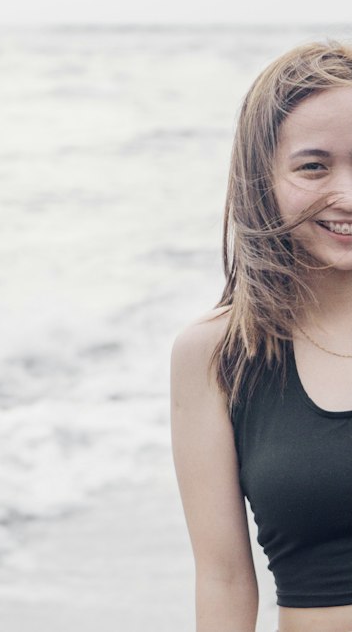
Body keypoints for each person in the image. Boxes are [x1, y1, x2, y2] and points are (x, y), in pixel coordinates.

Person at [171, 41, 352, 632]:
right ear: (262, 177)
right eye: (313, 166)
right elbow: (222, 578)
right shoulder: (220, 355)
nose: (346, 195)